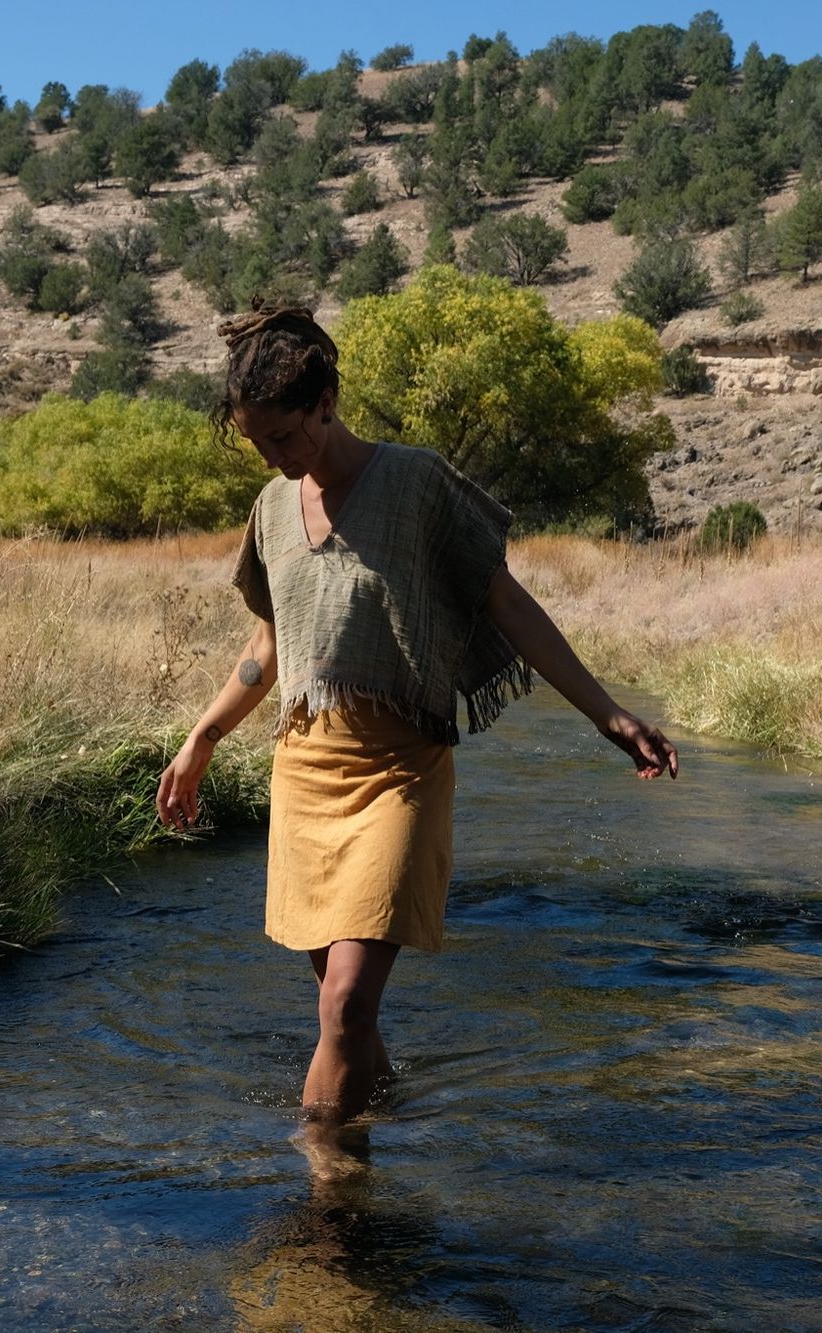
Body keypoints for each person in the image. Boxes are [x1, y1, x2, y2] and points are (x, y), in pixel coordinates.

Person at [155, 306, 679, 1136]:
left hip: (398, 774)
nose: (276, 458)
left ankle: (323, 1187)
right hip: (304, 775)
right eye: (259, 446)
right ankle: (381, 1131)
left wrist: (605, 713)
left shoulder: (417, 482)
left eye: (284, 437)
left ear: (327, 400)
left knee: (348, 999)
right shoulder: (271, 510)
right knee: (349, 1019)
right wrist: (202, 738)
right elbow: (268, 645)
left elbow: (505, 602)